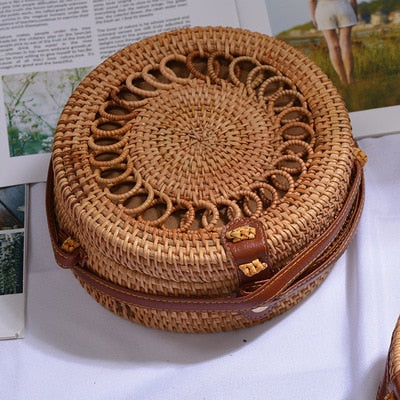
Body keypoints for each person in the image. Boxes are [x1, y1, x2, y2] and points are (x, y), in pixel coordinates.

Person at [309, 0, 358, 85]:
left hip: (324, 10)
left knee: (333, 46)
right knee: (345, 43)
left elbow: (312, 1)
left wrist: (314, 17)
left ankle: (343, 80)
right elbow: (353, 0)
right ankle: (351, 78)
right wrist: (355, 12)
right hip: (343, 7)